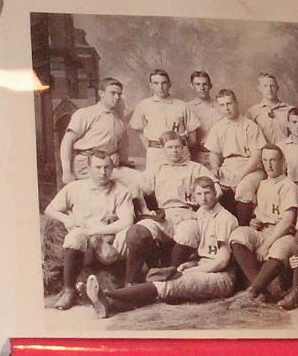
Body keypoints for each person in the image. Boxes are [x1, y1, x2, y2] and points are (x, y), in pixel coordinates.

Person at [87, 176, 238, 316]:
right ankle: (108, 304)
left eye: (207, 193)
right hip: (203, 268)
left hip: (221, 277)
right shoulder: (202, 213)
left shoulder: (225, 219)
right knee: (163, 280)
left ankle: (108, 297)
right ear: (194, 196)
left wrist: (192, 270)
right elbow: (204, 253)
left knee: (168, 284)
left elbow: (222, 261)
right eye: (199, 194)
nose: (203, 198)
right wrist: (190, 264)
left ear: (215, 193)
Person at [43, 150, 137, 309]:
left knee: (131, 235)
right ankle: (69, 290)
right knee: (75, 237)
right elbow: (50, 210)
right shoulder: (75, 188)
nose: (103, 172)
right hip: (84, 239)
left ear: (112, 168)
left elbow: (127, 220)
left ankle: (122, 289)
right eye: (98, 167)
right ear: (89, 168)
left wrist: (97, 232)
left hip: (108, 240)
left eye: (107, 167)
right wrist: (66, 219)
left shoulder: (121, 190)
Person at [230, 145, 298, 308]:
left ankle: (252, 291)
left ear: (282, 162)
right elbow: (260, 212)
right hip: (262, 230)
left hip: (282, 233)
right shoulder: (262, 184)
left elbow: (287, 221)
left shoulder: (289, 186)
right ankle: (262, 290)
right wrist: (253, 221)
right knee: (238, 235)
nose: (269, 165)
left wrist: (265, 246)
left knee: (279, 250)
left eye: (273, 160)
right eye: (265, 160)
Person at [124, 132, 216, 284]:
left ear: (183, 147)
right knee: (136, 234)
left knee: (188, 233)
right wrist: (145, 209)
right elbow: (135, 189)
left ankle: (170, 279)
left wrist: (200, 211)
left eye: (178, 147)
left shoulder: (195, 168)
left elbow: (215, 190)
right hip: (164, 216)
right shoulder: (158, 168)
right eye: (170, 147)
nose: (174, 150)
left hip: (188, 215)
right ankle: (130, 283)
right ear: (163, 149)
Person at [203, 88, 268, 224]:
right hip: (228, 166)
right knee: (211, 187)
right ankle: (222, 226)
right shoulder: (218, 127)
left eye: (229, 103)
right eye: (222, 105)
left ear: (236, 103)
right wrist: (215, 167)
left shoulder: (249, 125)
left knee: (243, 187)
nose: (226, 108)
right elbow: (214, 153)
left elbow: (257, 156)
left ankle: (243, 227)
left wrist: (240, 176)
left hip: (251, 167)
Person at [127, 68, 197, 173]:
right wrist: (150, 148)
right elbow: (140, 131)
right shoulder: (144, 105)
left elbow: (192, 135)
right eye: (156, 83)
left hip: (179, 152)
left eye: (164, 83)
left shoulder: (182, 105)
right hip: (156, 153)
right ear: (151, 85)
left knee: (184, 179)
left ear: (169, 84)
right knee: (157, 180)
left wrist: (180, 147)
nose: (160, 87)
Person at [59, 77, 129, 182]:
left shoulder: (119, 122)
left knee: (137, 181)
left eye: (119, 94)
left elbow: (120, 150)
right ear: (101, 93)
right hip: (86, 165)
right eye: (113, 93)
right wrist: (67, 172)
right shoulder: (86, 113)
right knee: (128, 184)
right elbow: (67, 141)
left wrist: (116, 155)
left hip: (107, 165)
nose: (116, 97)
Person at [187, 70, 223, 162]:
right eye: (197, 84)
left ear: (210, 85)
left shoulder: (221, 107)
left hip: (218, 154)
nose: (202, 88)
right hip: (196, 155)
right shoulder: (187, 108)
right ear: (192, 86)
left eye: (205, 84)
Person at [246, 73, 293, 144]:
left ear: (277, 88)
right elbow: (248, 136)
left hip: (286, 149)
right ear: (259, 88)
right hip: (264, 150)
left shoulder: (290, 110)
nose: (269, 89)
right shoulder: (252, 112)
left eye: (272, 86)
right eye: (265, 86)